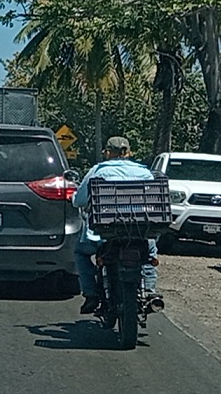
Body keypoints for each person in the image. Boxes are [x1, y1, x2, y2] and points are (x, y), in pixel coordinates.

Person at [71, 135, 159, 315]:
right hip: (140, 229)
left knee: (81, 253)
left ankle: (91, 295)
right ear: (128, 153)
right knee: (149, 255)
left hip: (106, 230)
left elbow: (79, 201)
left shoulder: (98, 171)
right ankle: (150, 291)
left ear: (108, 153)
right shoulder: (145, 173)